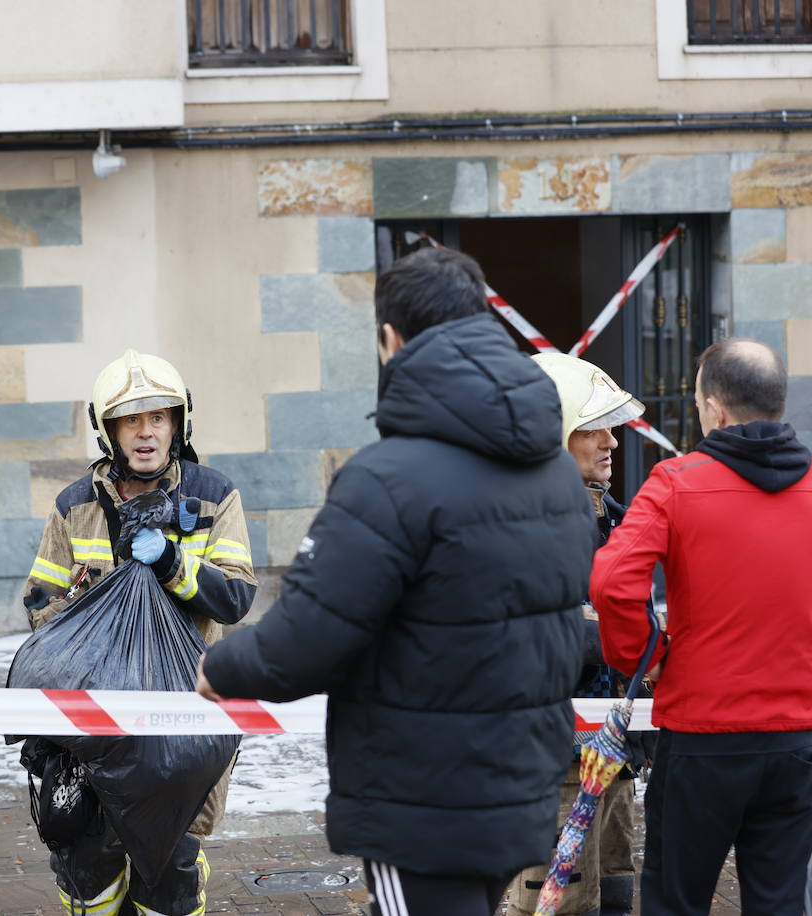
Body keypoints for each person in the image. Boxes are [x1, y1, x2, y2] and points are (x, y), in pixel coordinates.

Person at [194, 247, 596, 916]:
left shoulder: (386, 478)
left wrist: (221, 667)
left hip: (423, 802)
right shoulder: (555, 472)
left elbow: (308, 637)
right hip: (519, 785)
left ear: (390, 340)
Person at [591, 338, 812, 916]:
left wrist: (648, 657)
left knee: (675, 902)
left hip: (701, 736)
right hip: (798, 739)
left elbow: (611, 583)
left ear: (714, 408)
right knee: (779, 902)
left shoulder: (674, 483)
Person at [21, 348, 257, 916]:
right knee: (85, 859)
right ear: (108, 430)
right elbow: (39, 602)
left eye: (157, 417)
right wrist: (83, 602)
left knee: (168, 869)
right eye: (131, 419)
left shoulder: (212, 496)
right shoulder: (75, 506)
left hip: (185, 707)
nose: (145, 432)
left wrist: (174, 565)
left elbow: (236, 599)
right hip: (93, 709)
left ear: (178, 423)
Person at [505, 352, 646, 916]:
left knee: (613, 890)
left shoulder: (620, 518)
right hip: (545, 758)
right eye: (593, 427)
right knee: (551, 902)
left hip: (612, 752)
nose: (612, 441)